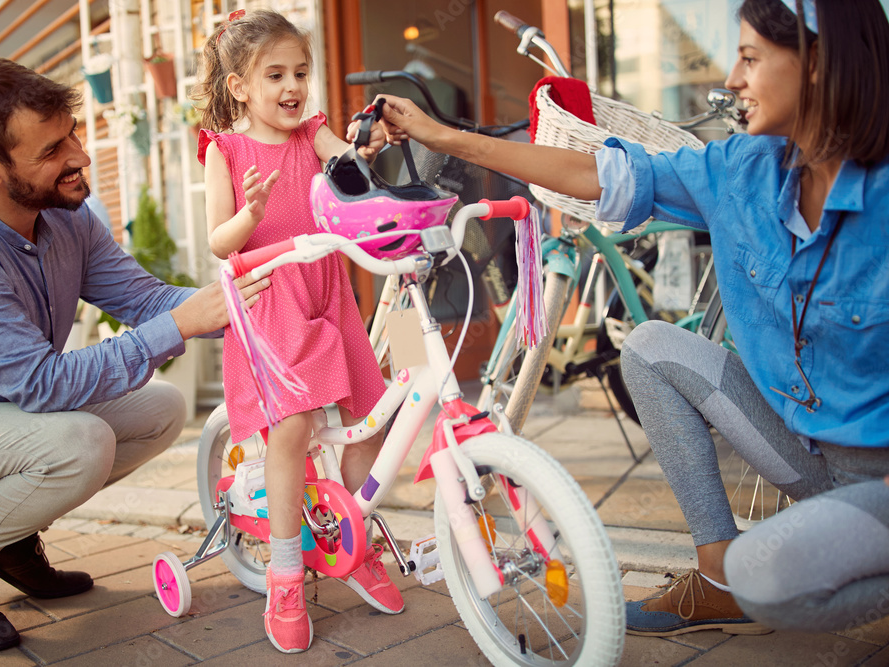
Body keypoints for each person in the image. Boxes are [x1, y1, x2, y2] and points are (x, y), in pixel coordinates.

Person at [377, 0, 889, 640]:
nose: (731, 79)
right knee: (647, 347)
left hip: (881, 478)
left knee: (772, 579)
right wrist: (445, 138)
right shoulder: (739, 170)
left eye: (751, 59)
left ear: (819, 65)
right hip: (805, 453)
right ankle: (717, 581)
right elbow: (593, 173)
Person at [0, 57, 269, 654]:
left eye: (72, 133)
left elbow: (144, 299)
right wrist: (179, 324)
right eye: (50, 150)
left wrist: (254, 300)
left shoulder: (68, 219)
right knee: (80, 441)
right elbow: (41, 385)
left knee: (160, 407)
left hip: (2, 426)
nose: (80, 156)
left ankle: (5, 540)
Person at [192, 9, 402, 654]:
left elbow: (346, 165)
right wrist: (251, 212)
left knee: (371, 414)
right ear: (239, 87)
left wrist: (361, 152)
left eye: (301, 73)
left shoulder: (312, 134)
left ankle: (354, 541)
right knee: (291, 429)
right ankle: (286, 572)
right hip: (271, 296)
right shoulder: (224, 151)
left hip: (328, 287)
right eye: (275, 74)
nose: (292, 86)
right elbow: (219, 243)